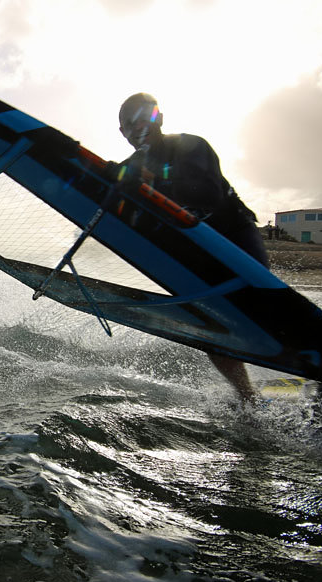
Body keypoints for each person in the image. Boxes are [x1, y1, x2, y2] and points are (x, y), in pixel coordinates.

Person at [114, 93, 266, 403]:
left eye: (147, 117)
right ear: (123, 132)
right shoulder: (130, 167)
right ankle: (247, 397)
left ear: (160, 119)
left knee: (262, 302)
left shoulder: (190, 145)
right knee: (214, 327)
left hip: (233, 233)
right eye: (131, 123)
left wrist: (154, 179)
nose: (140, 127)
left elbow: (207, 193)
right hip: (195, 250)